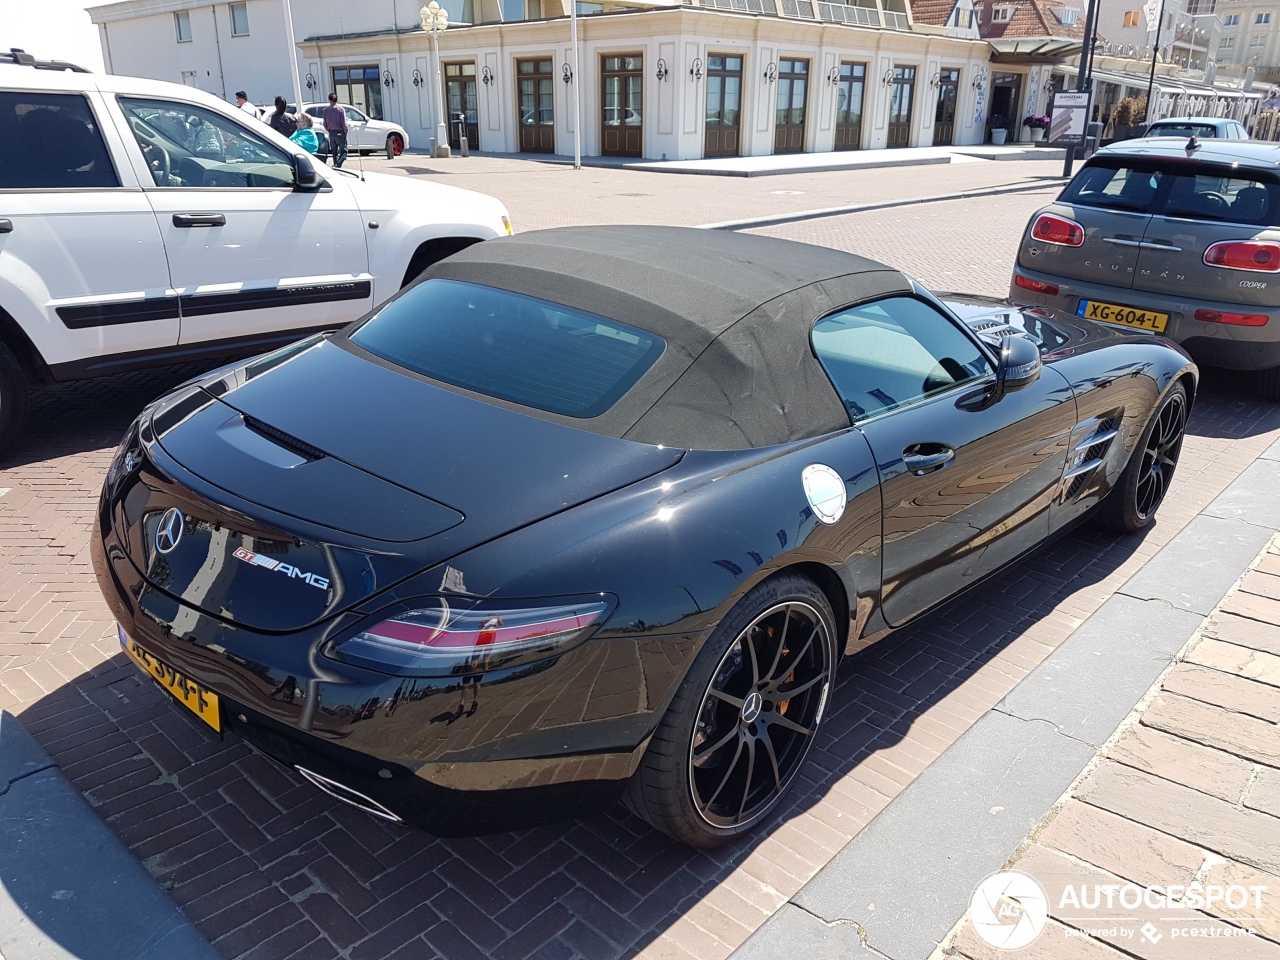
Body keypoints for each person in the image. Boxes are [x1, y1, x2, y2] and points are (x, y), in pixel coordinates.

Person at [321, 92, 348, 168]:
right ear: (337, 99)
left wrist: (328, 129)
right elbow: (343, 122)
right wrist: (345, 130)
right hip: (340, 132)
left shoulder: (325, 110)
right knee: (344, 152)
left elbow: (324, 123)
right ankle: (338, 165)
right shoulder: (340, 109)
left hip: (331, 133)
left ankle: (336, 164)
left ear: (329, 100)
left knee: (334, 152)